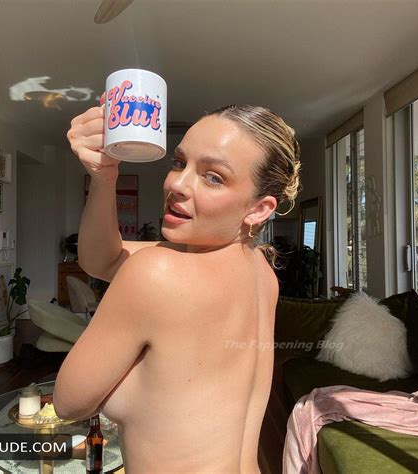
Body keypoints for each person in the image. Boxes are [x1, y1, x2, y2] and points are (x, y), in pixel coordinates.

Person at [54, 102, 301, 473]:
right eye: (179, 162)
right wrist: (104, 177)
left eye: (213, 177)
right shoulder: (261, 271)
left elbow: (69, 403)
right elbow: (102, 259)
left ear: (259, 209)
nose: (176, 184)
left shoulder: (156, 272)